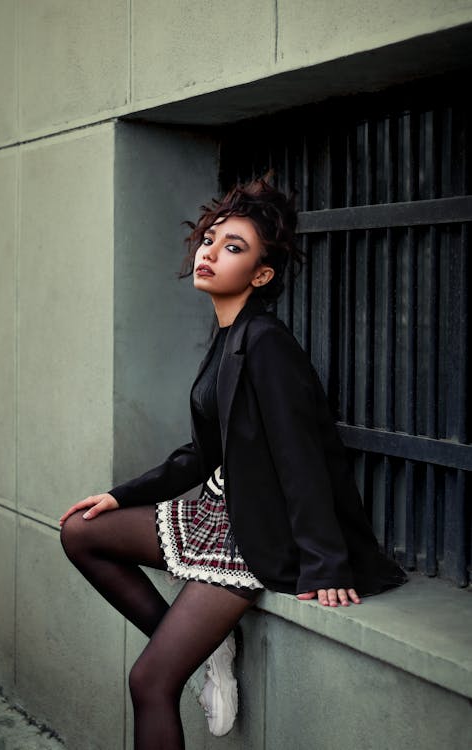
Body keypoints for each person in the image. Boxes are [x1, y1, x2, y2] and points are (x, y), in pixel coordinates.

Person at [60, 178, 407, 749]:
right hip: (219, 510)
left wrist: (327, 563)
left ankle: (186, 652)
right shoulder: (228, 337)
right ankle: (205, 647)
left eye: (233, 247)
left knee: (149, 680)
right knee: (81, 530)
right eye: (210, 240)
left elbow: (303, 458)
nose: (209, 252)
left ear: (262, 275)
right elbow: (202, 453)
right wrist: (121, 495)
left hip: (251, 537)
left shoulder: (267, 343)